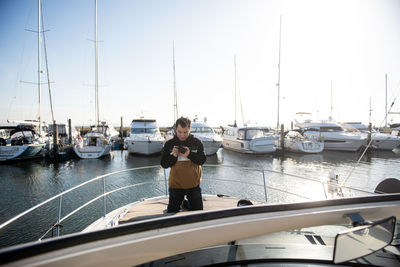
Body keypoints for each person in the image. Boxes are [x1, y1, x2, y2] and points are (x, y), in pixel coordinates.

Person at [161, 116, 206, 213]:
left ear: (189, 129)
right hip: (175, 186)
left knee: (198, 213)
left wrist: (189, 154)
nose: (182, 135)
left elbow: (202, 160)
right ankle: (185, 204)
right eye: (179, 132)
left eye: (185, 132)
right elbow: (164, 164)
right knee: (172, 213)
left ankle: (185, 204)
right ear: (175, 130)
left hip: (194, 186)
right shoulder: (169, 144)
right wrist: (174, 156)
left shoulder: (197, 142)